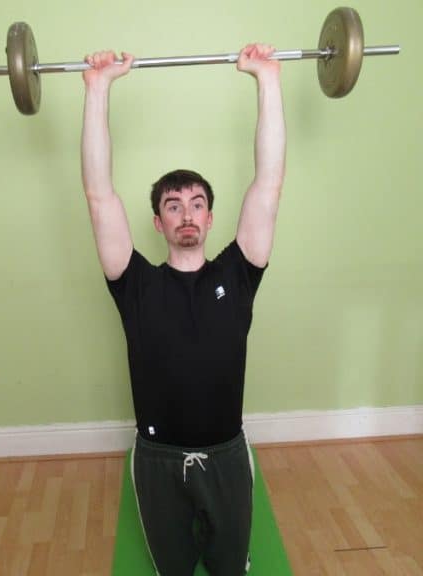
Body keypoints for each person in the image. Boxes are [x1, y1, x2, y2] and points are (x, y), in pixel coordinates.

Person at [80, 44, 284, 574]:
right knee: (172, 569)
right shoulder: (135, 283)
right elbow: (99, 195)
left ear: (211, 218)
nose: (186, 214)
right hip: (158, 460)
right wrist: (98, 89)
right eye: (173, 206)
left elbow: (268, 185)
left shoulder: (238, 274)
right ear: (158, 223)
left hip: (226, 455)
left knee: (228, 567)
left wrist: (267, 78)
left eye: (196, 204)